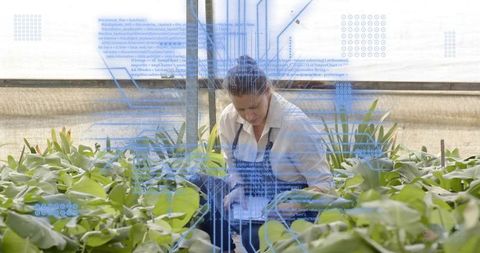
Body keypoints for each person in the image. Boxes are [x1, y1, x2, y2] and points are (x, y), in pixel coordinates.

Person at [218, 55, 334, 252]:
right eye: (241, 109)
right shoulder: (229, 118)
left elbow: (324, 184)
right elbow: (232, 164)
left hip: (295, 211)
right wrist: (238, 186)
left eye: (254, 107)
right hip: (255, 204)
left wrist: (294, 205)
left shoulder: (294, 124)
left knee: (254, 238)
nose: (249, 115)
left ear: (268, 91)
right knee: (203, 195)